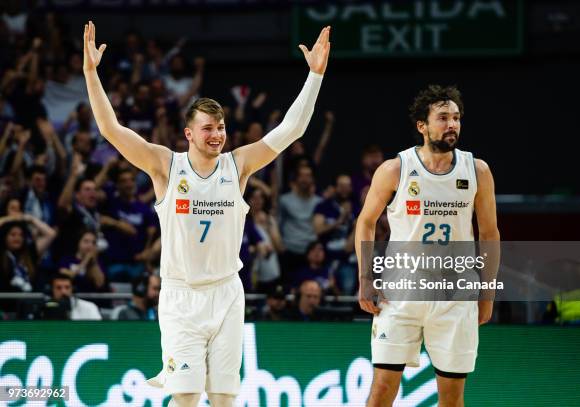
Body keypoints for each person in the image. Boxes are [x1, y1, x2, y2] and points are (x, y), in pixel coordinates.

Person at [82, 21, 330, 407]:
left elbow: (291, 130)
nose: (217, 134)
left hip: (227, 293)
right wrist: (90, 74)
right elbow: (111, 129)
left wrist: (314, 76)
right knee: (184, 397)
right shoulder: (165, 166)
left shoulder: (239, 164)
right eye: (209, 128)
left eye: (222, 127)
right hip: (181, 297)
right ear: (188, 134)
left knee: (224, 399)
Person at [355, 85, 500, 407]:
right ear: (422, 125)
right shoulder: (396, 168)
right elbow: (365, 222)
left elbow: (489, 234)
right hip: (401, 292)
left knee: (451, 399)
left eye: (457, 118)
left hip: (455, 295)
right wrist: (366, 278)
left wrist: (487, 292)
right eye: (443, 118)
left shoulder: (477, 170)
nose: (452, 125)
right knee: (381, 392)